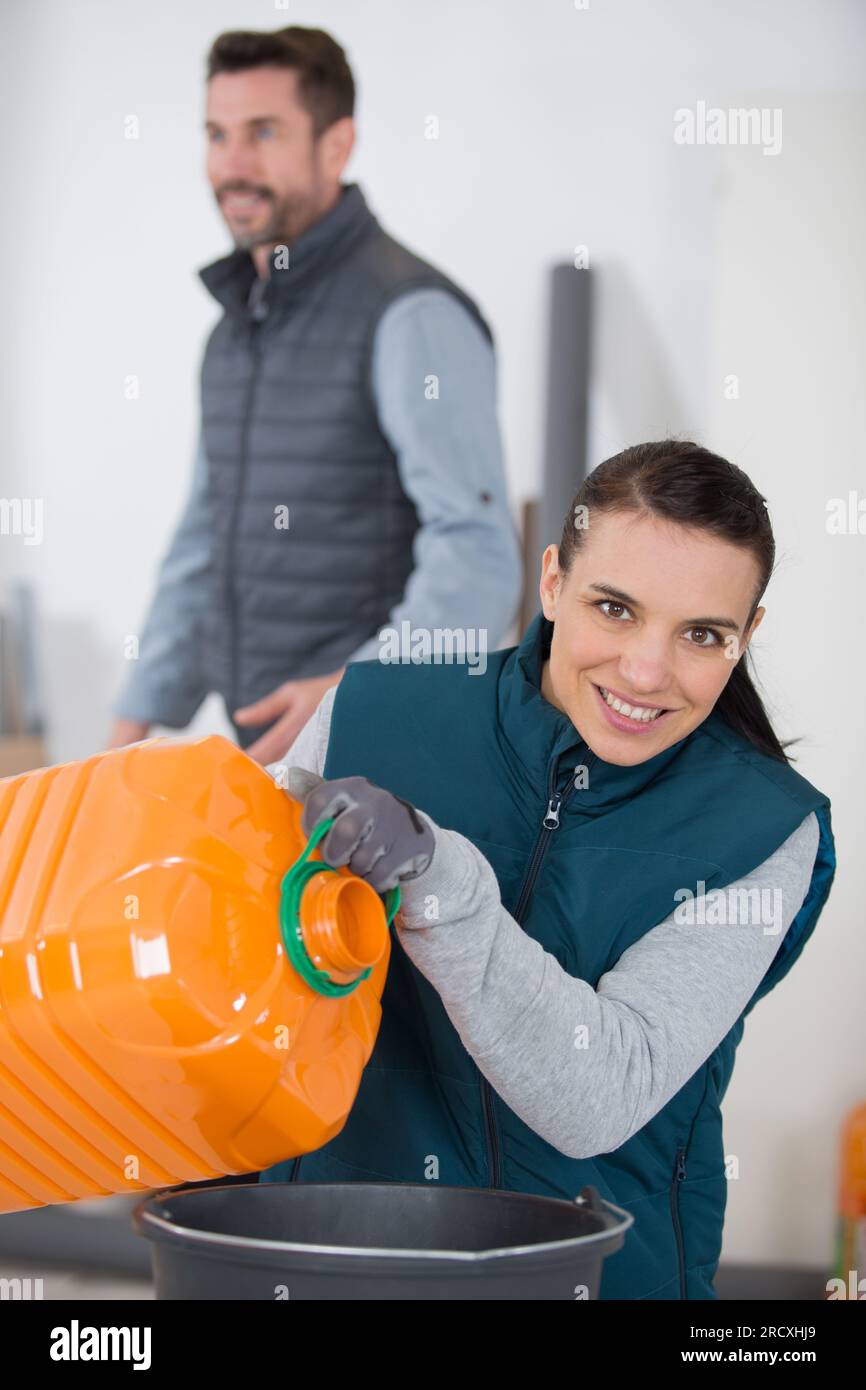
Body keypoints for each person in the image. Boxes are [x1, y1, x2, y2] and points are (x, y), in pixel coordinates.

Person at [259, 439, 837, 1301]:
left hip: (590, 1278)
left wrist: (434, 877)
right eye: (614, 608)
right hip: (333, 1258)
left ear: (746, 637)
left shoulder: (761, 827)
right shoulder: (378, 708)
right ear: (554, 582)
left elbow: (597, 1096)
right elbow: (232, 934)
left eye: (702, 635)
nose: (646, 671)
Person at [108, 25, 520, 763]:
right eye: (217, 133)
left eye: (263, 133)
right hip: (268, 765)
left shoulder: (411, 313)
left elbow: (479, 556)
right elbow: (204, 539)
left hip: (384, 759)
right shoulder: (234, 332)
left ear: (336, 145)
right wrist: (126, 730)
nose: (232, 164)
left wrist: (353, 696)